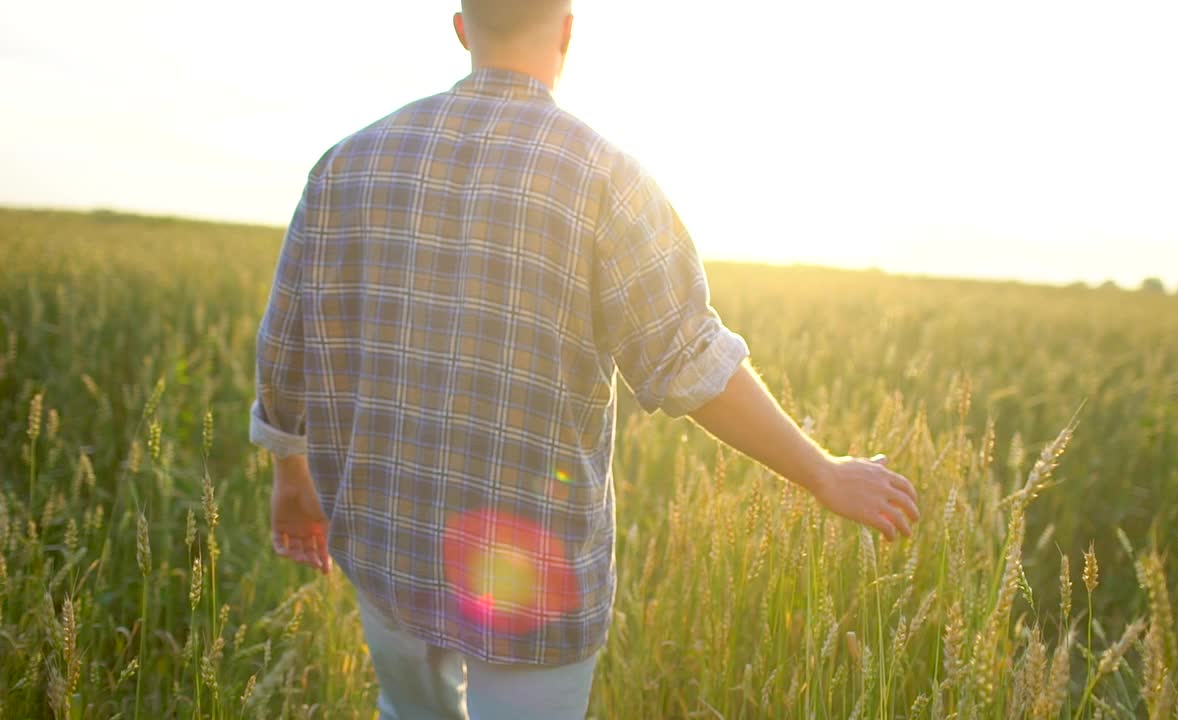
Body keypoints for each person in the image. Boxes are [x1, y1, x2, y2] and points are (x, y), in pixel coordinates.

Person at [250, 1, 921, 717]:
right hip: (536, 582)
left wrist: (291, 472)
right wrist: (823, 473)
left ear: (460, 28)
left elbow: (289, 339)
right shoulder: (604, 177)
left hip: (389, 547)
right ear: (568, 30)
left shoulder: (347, 164)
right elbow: (689, 360)